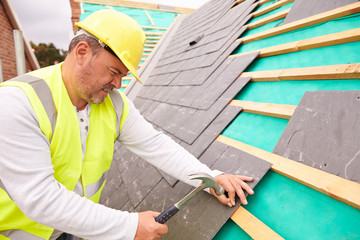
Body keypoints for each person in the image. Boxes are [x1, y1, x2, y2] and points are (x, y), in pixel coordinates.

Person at [0, 9, 254, 240]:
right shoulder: (17, 103)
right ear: (82, 53)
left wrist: (210, 177)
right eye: (114, 71)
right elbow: (40, 199)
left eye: (123, 75)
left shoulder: (114, 104)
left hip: (71, 228)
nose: (118, 84)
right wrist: (129, 226)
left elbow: (154, 145)